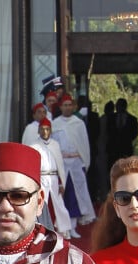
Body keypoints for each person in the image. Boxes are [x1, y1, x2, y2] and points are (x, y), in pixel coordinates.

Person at [52, 93, 97, 238]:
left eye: (70, 105)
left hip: (76, 162)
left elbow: (84, 144)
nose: (67, 107)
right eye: (65, 105)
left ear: (73, 106)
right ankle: (64, 227)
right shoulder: (55, 124)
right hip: (62, 163)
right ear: (60, 107)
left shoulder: (79, 123)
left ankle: (74, 226)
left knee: (76, 194)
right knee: (64, 194)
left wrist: (84, 162)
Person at [30, 118, 71, 239]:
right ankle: (39, 228)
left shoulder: (55, 144)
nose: (45, 132)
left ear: (51, 130)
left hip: (53, 177)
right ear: (38, 130)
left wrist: (62, 183)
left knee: (59, 204)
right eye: (42, 129)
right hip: (41, 177)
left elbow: (60, 165)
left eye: (47, 129)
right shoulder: (34, 146)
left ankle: (64, 229)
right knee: (41, 203)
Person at [107, 98, 138, 165]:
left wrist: (125, 138)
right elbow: (108, 131)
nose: (117, 107)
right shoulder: (111, 118)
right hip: (113, 150)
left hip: (126, 149)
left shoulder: (132, 119)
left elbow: (134, 134)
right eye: (117, 105)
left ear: (125, 106)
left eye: (120, 105)